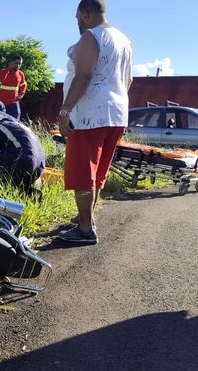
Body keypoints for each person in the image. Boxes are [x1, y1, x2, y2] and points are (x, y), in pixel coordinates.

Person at [57, 0, 132, 244]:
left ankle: (85, 230)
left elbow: (83, 76)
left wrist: (65, 111)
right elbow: (129, 80)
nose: (78, 23)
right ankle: (86, 219)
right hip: (116, 113)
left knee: (82, 172)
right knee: (96, 172)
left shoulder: (91, 36)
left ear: (86, 14)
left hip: (89, 115)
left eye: (78, 18)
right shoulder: (123, 39)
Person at [0, 110, 45, 193]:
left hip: (24, 162)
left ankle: (0, 184)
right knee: (7, 158)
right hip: (40, 169)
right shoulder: (17, 125)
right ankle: (23, 188)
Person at [0, 55, 28, 120]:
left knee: (15, 122)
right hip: (2, 102)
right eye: (16, 63)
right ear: (11, 63)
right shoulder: (3, 71)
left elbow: (23, 85)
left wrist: (21, 94)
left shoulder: (21, 74)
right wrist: (8, 69)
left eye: (20, 64)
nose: (18, 65)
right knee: (1, 121)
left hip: (14, 103)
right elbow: (1, 79)